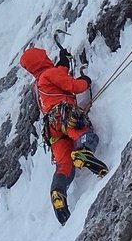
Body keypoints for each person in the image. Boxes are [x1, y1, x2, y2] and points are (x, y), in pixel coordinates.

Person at [20, 47, 108, 225]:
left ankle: (58, 193)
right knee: (85, 135)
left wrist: (63, 62)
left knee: (64, 164)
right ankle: (84, 152)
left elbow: (57, 77)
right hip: (64, 116)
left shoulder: (38, 84)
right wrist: (85, 81)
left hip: (51, 129)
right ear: (42, 59)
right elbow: (73, 86)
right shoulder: (50, 74)